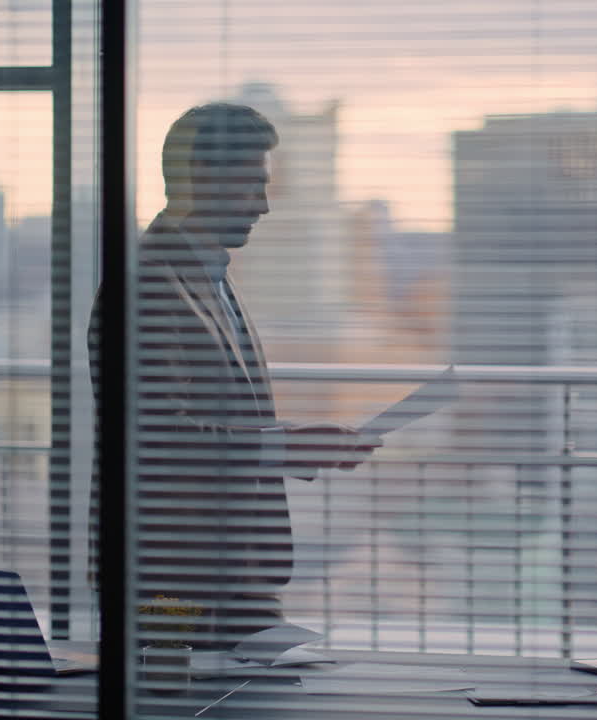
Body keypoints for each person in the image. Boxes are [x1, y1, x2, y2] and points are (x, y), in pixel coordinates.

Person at [89, 103, 379, 647]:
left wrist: (295, 438)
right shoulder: (147, 282)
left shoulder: (207, 275)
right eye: (252, 184)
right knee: (175, 702)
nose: (265, 205)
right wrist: (284, 449)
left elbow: (215, 415)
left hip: (233, 579)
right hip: (172, 585)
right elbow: (155, 437)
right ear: (202, 179)